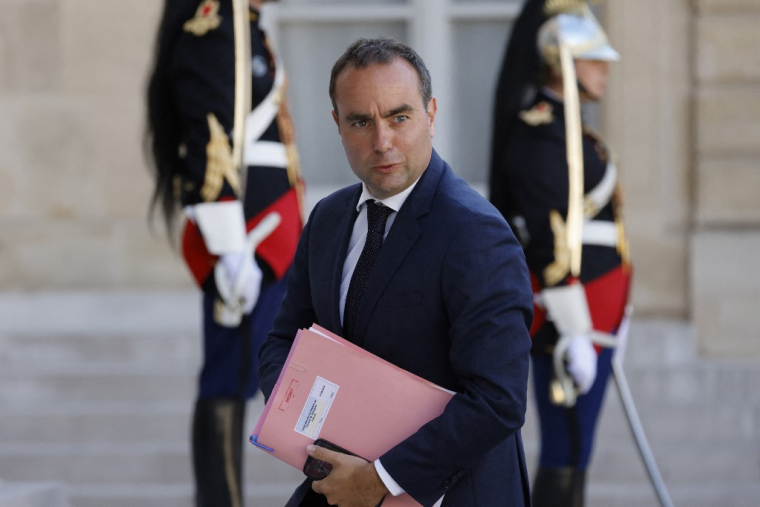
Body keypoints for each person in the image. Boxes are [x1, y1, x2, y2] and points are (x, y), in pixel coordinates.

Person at [257, 36, 533, 507]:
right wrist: (317, 445)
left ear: (431, 113)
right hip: (337, 484)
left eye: (399, 117)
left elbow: (497, 400)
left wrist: (380, 478)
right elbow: (283, 344)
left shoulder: (476, 233)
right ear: (338, 125)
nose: (382, 141)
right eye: (361, 121)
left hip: (451, 493)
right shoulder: (327, 218)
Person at [145, 0, 304, 505]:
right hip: (246, 236)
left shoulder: (246, 24)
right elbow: (207, 131)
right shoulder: (214, 22)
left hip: (271, 228)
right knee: (227, 376)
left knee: (247, 375)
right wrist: (230, 245)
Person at [489, 1, 632, 505]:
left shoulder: (574, 131)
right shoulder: (539, 131)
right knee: (563, 449)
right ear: (562, 63)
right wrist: (574, 328)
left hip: (595, 314)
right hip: (567, 321)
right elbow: (550, 240)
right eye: (594, 60)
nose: (604, 71)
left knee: (578, 447)